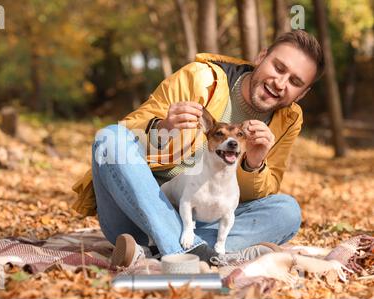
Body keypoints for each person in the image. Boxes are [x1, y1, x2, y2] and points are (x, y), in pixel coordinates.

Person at [72, 30, 325, 267]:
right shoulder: (200, 77)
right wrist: (163, 127)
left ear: (302, 93)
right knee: (111, 138)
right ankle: (192, 252)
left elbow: (249, 197)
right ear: (261, 56)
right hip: (135, 211)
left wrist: (253, 164)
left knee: (287, 211)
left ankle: (156, 251)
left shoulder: (289, 119)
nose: (280, 83)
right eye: (278, 67)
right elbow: (127, 135)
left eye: (294, 81)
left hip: (201, 217)